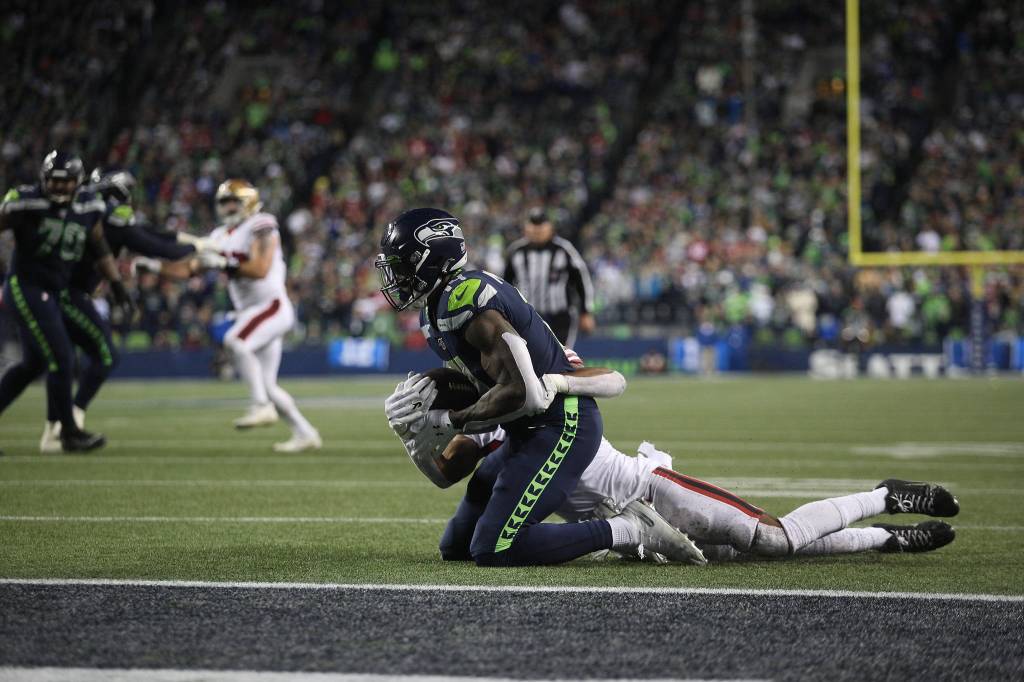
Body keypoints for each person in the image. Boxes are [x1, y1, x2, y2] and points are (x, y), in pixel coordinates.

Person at [376, 207, 703, 567]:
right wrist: (417, 430)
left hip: (560, 422)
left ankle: (629, 529)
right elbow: (445, 471)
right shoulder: (436, 313)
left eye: (403, 264)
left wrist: (452, 420)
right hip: (523, 430)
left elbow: (525, 392)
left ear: (433, 259)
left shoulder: (466, 299)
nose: (396, 276)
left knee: (494, 546)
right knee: (457, 545)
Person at [385, 362, 959, 563]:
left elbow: (596, 383)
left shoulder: (532, 404)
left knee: (776, 540)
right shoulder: (489, 441)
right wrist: (421, 441)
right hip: (639, 536)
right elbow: (448, 480)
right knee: (758, 555)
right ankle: (889, 540)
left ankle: (883, 497)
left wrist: (548, 381)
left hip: (652, 493)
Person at [151, 179, 321, 452]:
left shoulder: (261, 223)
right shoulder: (219, 235)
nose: (228, 207)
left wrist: (223, 262)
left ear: (248, 202)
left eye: (233, 201)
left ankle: (260, 406)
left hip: (271, 306)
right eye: (224, 202)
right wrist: (155, 266)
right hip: (253, 312)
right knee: (267, 384)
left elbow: (260, 268)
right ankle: (305, 432)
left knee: (235, 341)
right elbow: (189, 269)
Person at [39, 169, 198, 452]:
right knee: (103, 356)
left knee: (58, 362)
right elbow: (152, 243)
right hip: (68, 293)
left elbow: (150, 233)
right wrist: (198, 249)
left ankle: (55, 430)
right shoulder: (108, 216)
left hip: (56, 291)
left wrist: (193, 241)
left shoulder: (87, 210)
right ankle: (69, 423)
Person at [0, 151, 135, 452]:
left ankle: (67, 431)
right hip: (26, 286)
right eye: (54, 182)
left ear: (79, 182)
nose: (59, 188)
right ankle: (69, 432)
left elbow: (99, 245)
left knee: (31, 365)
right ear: (43, 180)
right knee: (62, 358)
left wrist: (116, 283)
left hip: (55, 290)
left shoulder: (89, 205)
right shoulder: (26, 201)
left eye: (66, 182)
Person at [503, 207, 595, 346]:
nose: (537, 230)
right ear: (526, 228)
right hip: (529, 316)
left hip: (560, 316)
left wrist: (586, 312)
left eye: (541, 226)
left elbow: (581, 280)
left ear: (550, 227)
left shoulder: (563, 249)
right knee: (532, 358)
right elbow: (505, 284)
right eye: (533, 226)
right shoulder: (516, 251)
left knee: (563, 357)